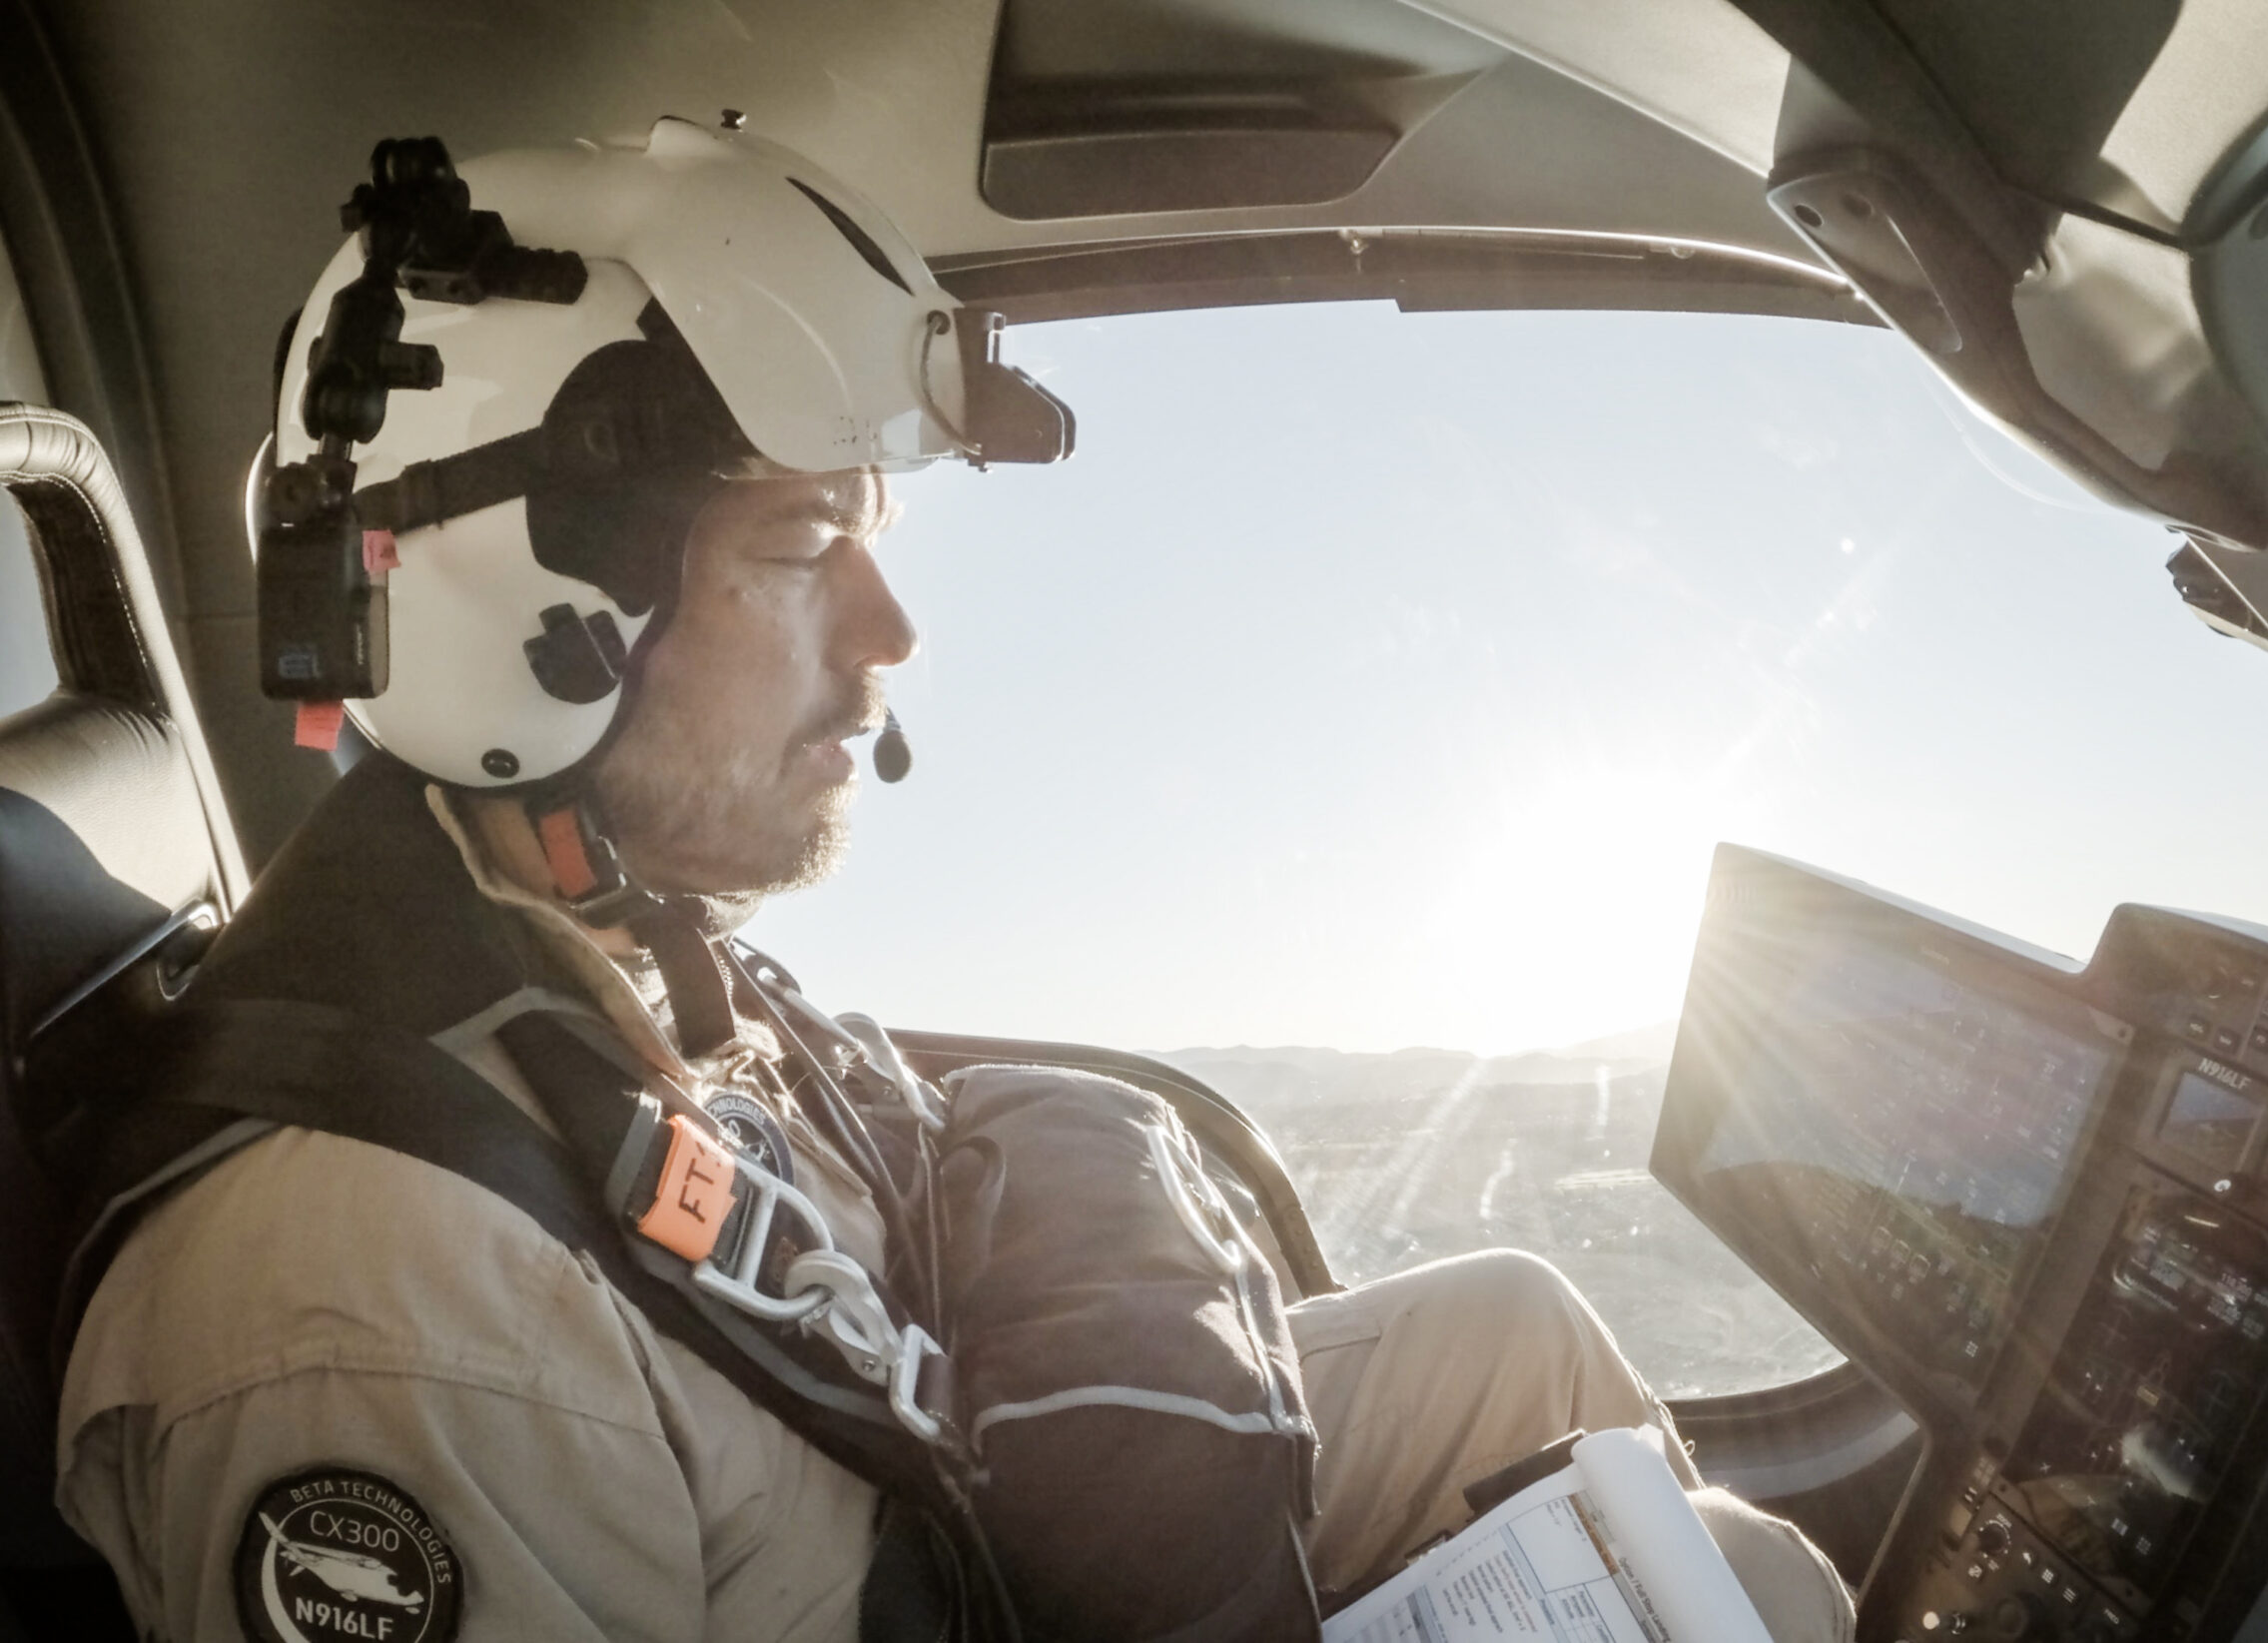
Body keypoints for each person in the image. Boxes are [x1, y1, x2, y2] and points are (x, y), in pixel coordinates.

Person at [52, 122, 1854, 1642]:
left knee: (1514, 1326)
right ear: (518, 610)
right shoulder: (387, 1313)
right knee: (1754, 1583)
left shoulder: (580, 930)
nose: (891, 629)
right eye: (802, 543)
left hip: (947, 1499)